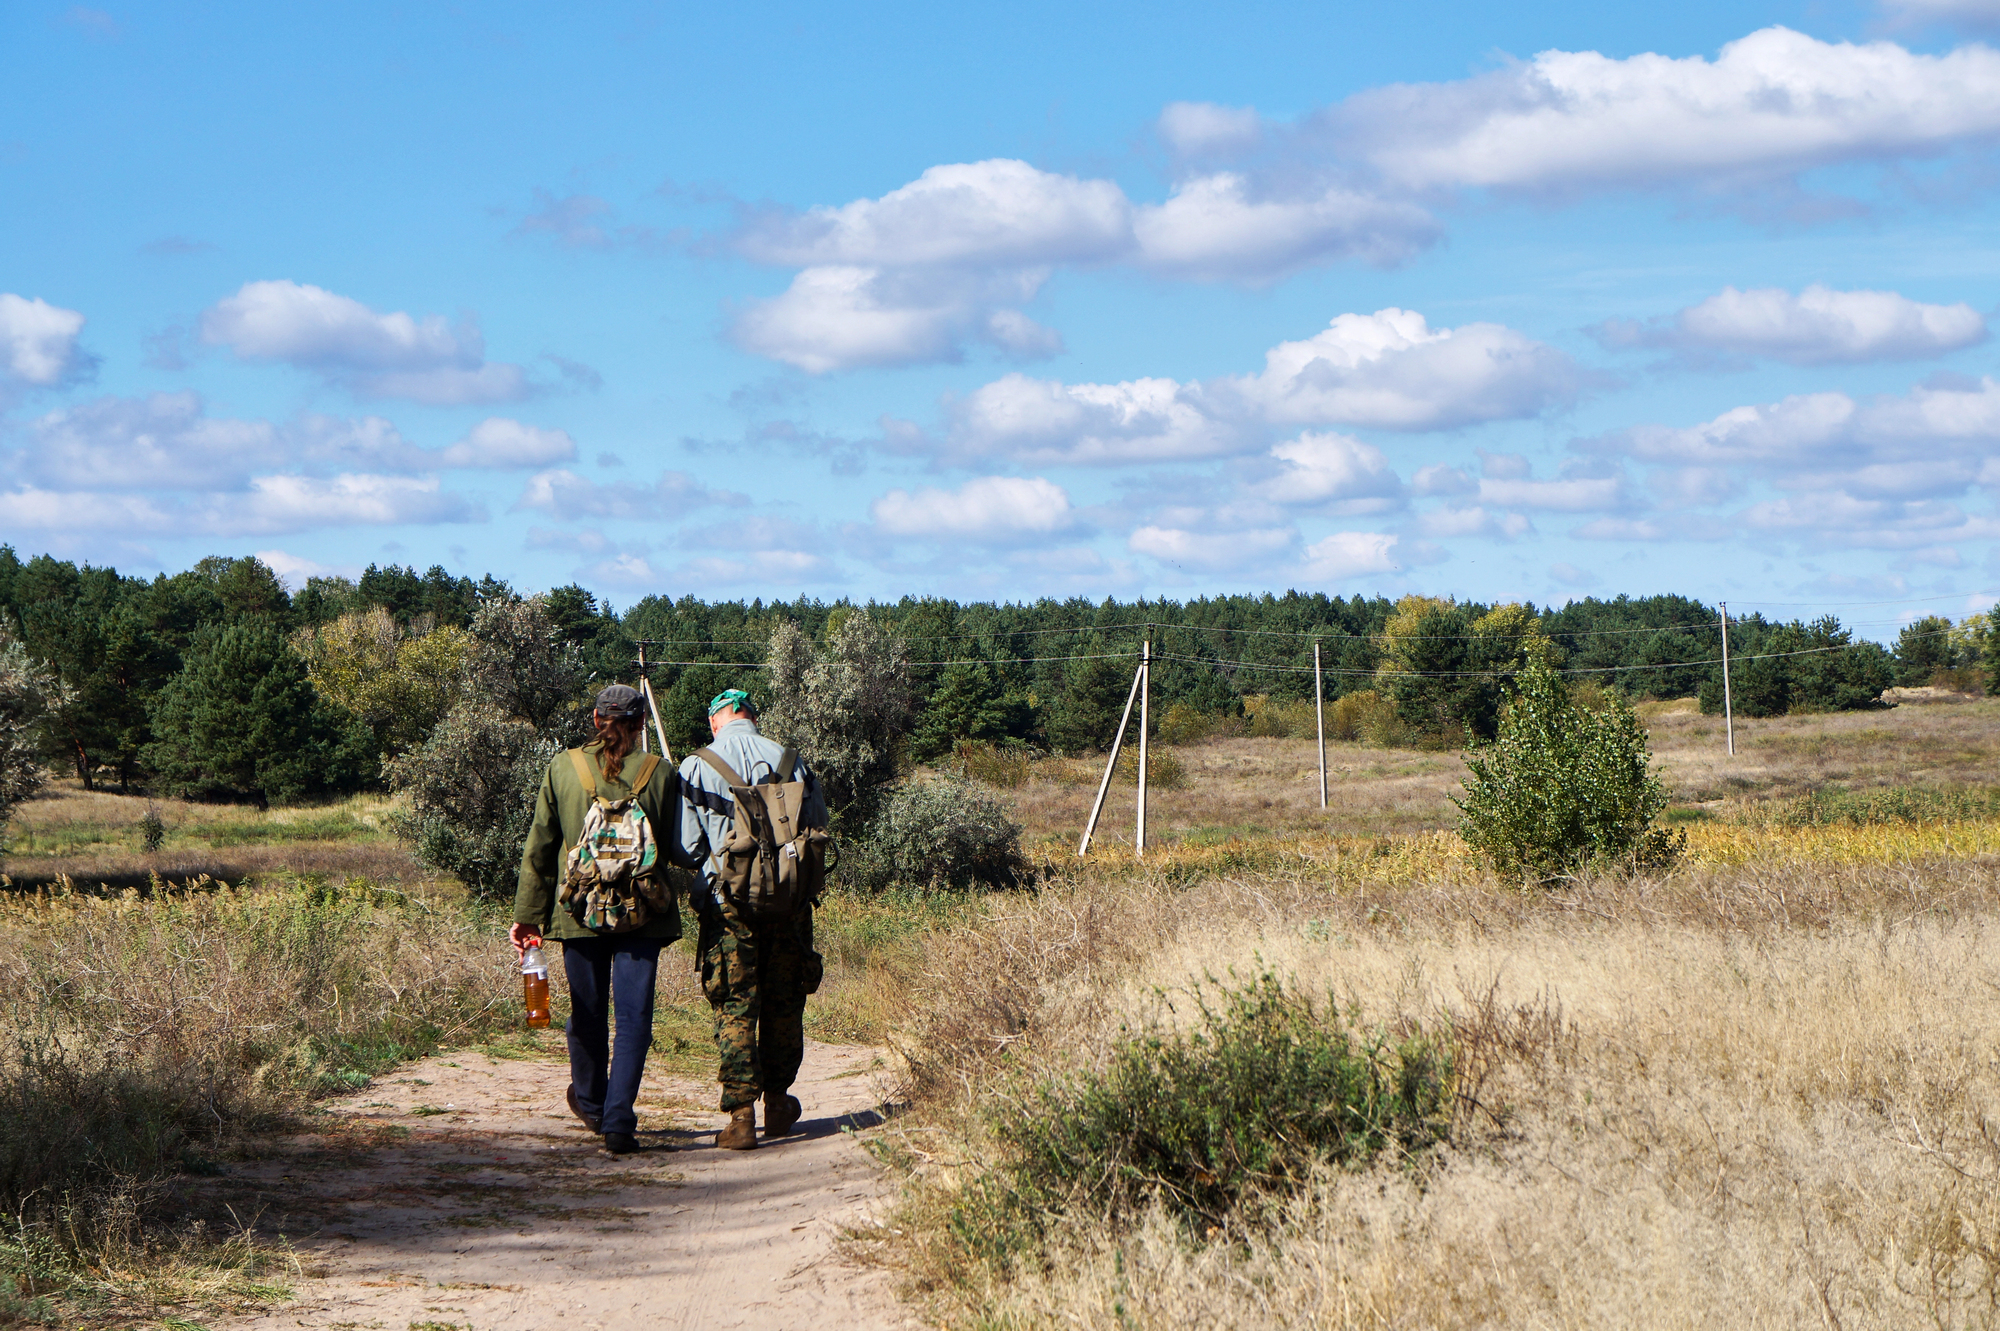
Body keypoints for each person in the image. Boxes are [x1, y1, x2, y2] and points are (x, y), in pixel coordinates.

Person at [512, 684, 688, 1155]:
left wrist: (528, 917)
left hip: (577, 913)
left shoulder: (563, 768)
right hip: (643, 915)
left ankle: (590, 1103)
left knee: (586, 1014)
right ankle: (618, 1122)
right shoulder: (660, 772)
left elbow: (540, 848)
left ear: (595, 719)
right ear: (640, 724)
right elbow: (674, 848)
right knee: (633, 1021)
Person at [677, 688, 827, 1150]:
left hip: (729, 906)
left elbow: (686, 847)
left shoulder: (697, 765)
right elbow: (818, 825)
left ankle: (741, 1117)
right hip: (788, 903)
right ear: (752, 717)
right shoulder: (790, 760)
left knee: (736, 1005)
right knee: (784, 1001)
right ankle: (779, 1103)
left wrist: (710, 881)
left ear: (715, 722)